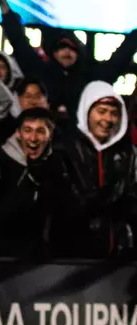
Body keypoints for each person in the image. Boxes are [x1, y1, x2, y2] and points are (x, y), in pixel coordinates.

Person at [0, 0, 137, 122]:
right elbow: (20, 43)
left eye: (72, 49)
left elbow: (120, 58)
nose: (67, 52)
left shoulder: (92, 77)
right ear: (54, 53)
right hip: (41, 135)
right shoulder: (42, 73)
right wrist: (4, 6)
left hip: (80, 142)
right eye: (62, 48)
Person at [57, 82, 137, 259]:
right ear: (86, 111)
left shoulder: (129, 153)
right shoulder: (66, 151)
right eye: (101, 111)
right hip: (75, 256)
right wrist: (113, 192)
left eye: (114, 113)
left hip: (121, 255)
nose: (108, 119)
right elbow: (71, 208)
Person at [0, 108, 69, 258]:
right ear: (18, 133)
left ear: (50, 135)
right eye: (27, 130)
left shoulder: (58, 167)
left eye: (40, 131)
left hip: (38, 262)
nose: (33, 138)